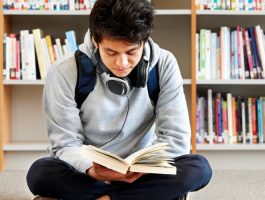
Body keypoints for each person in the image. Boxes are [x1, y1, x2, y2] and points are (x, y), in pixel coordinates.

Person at [26, 0, 212, 199]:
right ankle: (145, 196)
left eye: (132, 52)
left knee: (199, 168)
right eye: (111, 52)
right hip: (89, 171)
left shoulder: (164, 64)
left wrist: (145, 168)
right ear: (96, 43)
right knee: (40, 173)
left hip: (141, 172)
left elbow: (176, 137)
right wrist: (92, 170)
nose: (122, 63)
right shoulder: (64, 71)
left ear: (145, 40)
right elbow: (65, 144)